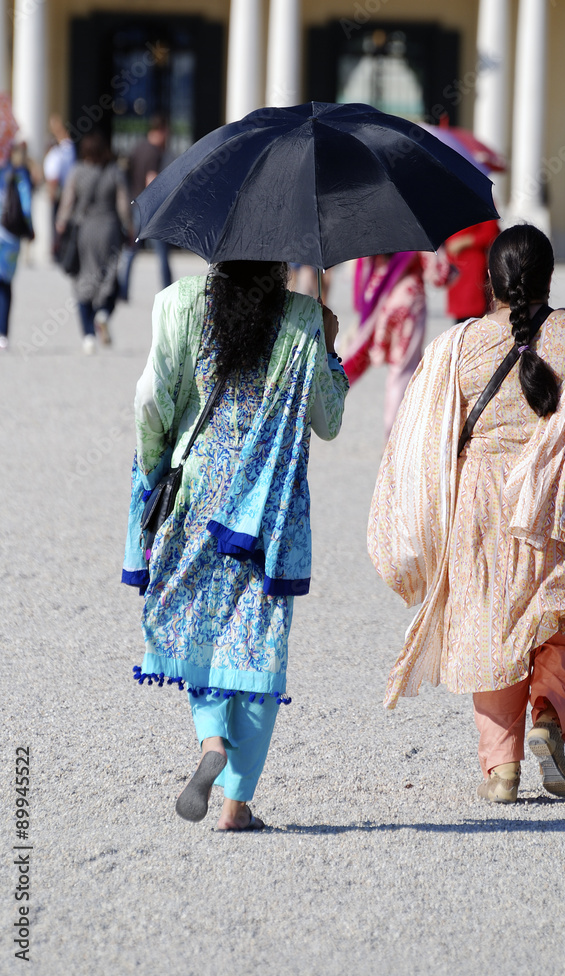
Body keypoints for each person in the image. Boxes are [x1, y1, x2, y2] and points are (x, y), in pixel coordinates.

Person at [368, 225, 565, 804]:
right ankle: (548, 715)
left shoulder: (458, 347)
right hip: (557, 506)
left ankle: (502, 769)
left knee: (490, 630)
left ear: (489, 281)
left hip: (483, 512)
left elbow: (421, 436)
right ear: (549, 277)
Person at [123, 262, 348, 830]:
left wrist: (155, 466)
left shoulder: (179, 303)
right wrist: (327, 344)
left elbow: (152, 398)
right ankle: (235, 803)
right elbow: (328, 420)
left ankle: (209, 739)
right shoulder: (302, 317)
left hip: (197, 491)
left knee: (200, 626)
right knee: (257, 643)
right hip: (267, 507)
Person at [56, 131, 131, 353]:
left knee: (82, 282)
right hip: (109, 229)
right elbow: (123, 205)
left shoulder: (77, 171)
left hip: (85, 230)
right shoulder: (114, 171)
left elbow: (68, 202)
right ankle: (104, 313)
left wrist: (60, 223)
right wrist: (129, 227)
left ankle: (88, 335)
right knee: (108, 278)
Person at [341, 252, 427, 440]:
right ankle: (394, 436)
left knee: (358, 358)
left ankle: (326, 394)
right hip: (409, 301)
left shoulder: (371, 229)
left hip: (378, 299)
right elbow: (439, 273)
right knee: (402, 372)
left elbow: (361, 271)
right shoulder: (414, 232)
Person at [118, 113, 173, 301]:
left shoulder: (137, 148)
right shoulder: (154, 152)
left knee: (131, 251)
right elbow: (151, 180)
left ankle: (123, 290)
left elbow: (126, 173)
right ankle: (168, 290)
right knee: (162, 253)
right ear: (161, 130)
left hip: (136, 204)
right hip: (151, 208)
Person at [430, 219, 500, 321]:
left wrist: (464, 241)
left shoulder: (478, 203)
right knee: (460, 320)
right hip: (454, 268)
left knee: (474, 317)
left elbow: (491, 232)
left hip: (473, 268)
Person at [0, 144, 33, 350]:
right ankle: (2, 333)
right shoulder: (20, 175)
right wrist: (30, 230)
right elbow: (26, 205)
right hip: (10, 236)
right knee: (5, 284)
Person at [43, 114, 76, 254]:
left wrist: (51, 192)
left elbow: (54, 175)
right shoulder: (64, 148)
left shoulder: (63, 149)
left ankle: (58, 249)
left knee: (59, 222)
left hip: (60, 190)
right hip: (62, 189)